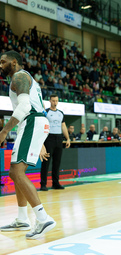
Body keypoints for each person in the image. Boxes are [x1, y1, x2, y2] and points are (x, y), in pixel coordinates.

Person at [0, 50, 56, 239]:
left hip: (32, 122)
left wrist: (4, 130)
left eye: (3, 62)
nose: (0, 65)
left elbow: (25, 107)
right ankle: (23, 218)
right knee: (16, 173)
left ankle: (43, 218)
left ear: (14, 62)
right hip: (32, 124)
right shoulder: (22, 77)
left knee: (16, 172)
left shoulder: (19, 77)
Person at [40, 94, 70, 191]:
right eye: (53, 100)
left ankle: (55, 183)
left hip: (59, 138)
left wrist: (68, 138)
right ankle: (43, 184)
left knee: (57, 162)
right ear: (50, 101)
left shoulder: (61, 113)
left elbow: (63, 126)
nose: (55, 102)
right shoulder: (46, 112)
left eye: (56, 101)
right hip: (49, 138)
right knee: (46, 162)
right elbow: (42, 124)